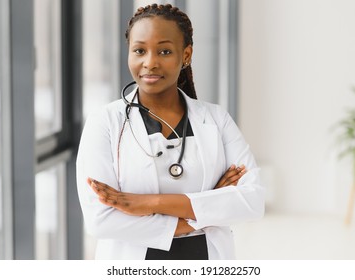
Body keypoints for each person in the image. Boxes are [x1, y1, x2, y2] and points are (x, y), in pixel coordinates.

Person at [76, 3, 264, 260]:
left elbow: (252, 201)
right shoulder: (105, 122)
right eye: (139, 50)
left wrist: (145, 203)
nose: (150, 63)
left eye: (164, 51)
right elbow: (101, 220)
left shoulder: (216, 119)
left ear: (186, 55)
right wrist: (203, 211)